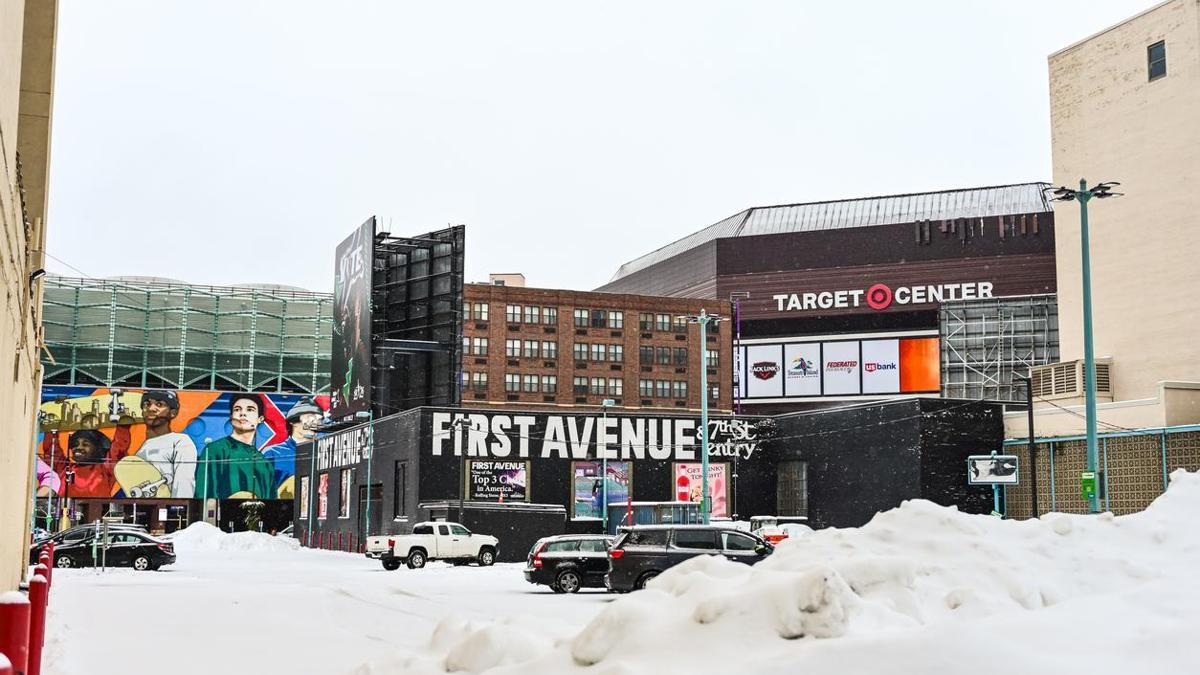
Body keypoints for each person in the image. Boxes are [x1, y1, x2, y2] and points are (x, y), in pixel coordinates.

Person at [194, 393, 274, 499]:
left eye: (250, 410)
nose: (242, 414)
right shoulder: (214, 450)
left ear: (260, 419)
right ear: (231, 417)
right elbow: (203, 494)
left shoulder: (265, 463)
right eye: (237, 409)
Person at [133, 390, 197, 498]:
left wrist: (178, 507)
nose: (151, 409)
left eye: (159, 404)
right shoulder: (141, 450)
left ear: (173, 412)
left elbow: (184, 483)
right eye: (147, 404)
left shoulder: (180, 441)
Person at [41, 426, 131, 498]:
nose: (78, 448)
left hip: (95, 517)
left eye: (85, 444)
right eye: (75, 444)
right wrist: (51, 428)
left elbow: (119, 448)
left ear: (98, 449)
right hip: (63, 517)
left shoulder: (105, 469)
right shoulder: (65, 468)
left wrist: (123, 424)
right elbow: (51, 449)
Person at [262, 397, 323, 498]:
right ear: (293, 422)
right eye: (309, 418)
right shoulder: (272, 453)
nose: (315, 422)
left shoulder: (324, 452)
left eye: (318, 419)